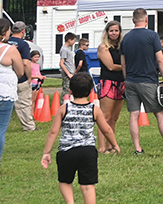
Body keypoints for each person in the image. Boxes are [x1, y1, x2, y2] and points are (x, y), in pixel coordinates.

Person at [41, 71, 120, 204]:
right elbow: (106, 129)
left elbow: (53, 132)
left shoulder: (63, 108)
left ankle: (70, 202)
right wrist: (114, 144)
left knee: (65, 180)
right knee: (88, 185)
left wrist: (46, 152)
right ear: (90, 91)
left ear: (70, 91)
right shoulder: (94, 109)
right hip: (87, 151)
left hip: (66, 151)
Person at [119, 7, 163, 153]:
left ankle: (137, 148)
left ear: (133, 20)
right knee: (159, 113)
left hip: (130, 80)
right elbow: (161, 60)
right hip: (148, 80)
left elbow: (123, 63)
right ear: (146, 20)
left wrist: (126, 78)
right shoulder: (152, 36)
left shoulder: (125, 39)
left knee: (134, 114)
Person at [0, 19, 26, 167]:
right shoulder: (10, 50)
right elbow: (20, 70)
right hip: (5, 91)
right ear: (5, 32)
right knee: (1, 128)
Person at [96, 22, 125, 151]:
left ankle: (110, 146)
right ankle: (102, 147)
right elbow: (111, 66)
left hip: (121, 83)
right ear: (107, 32)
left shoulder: (122, 47)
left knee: (114, 118)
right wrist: (127, 67)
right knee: (105, 117)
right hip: (108, 83)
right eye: (111, 31)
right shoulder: (103, 47)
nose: (114, 33)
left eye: (116, 31)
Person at [10, 21, 36, 131]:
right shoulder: (23, 44)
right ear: (23, 31)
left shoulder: (4, 42)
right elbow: (26, 63)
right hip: (19, 78)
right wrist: (29, 78)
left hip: (5, 77)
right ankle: (29, 127)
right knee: (24, 103)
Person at [58, 32, 77, 100]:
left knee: (71, 89)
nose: (74, 42)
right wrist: (68, 73)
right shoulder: (64, 49)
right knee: (66, 89)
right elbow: (61, 63)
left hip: (71, 72)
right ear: (69, 40)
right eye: (74, 40)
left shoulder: (68, 49)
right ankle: (64, 103)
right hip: (67, 73)